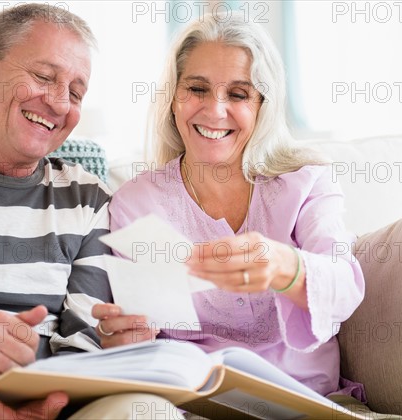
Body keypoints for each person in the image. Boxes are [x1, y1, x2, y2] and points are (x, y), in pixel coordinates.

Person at [93, 12, 369, 415]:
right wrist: (125, 340)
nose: (215, 110)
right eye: (197, 89)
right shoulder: (136, 201)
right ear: (173, 98)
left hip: (307, 400)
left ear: (263, 106)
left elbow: (345, 289)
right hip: (195, 405)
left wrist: (286, 268)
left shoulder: (306, 181)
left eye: (238, 94)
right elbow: (144, 338)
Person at [0, 4, 182, 419]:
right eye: (43, 77)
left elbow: (83, 346)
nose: (59, 103)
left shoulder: (88, 200)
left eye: (76, 92)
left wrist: (44, 406)